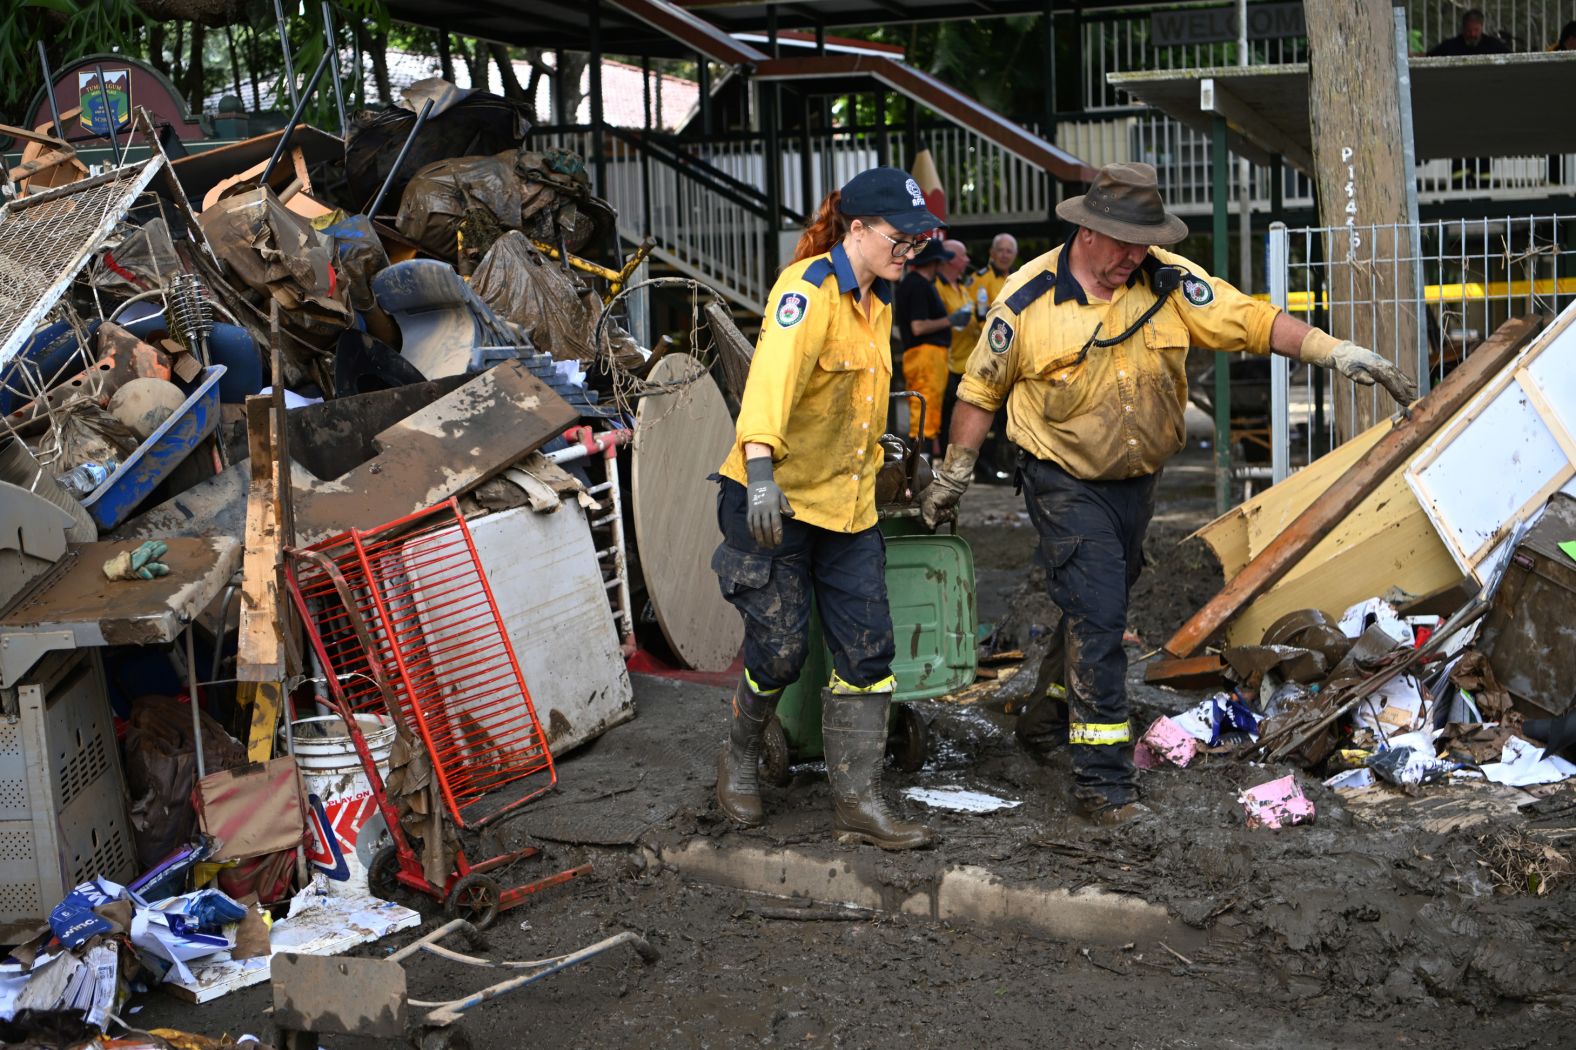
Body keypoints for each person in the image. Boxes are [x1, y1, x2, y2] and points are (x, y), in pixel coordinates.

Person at [920, 163, 1415, 826]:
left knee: (1098, 602)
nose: (1134, 255)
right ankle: (1101, 784)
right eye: (1123, 243)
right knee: (1101, 616)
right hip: (1062, 478)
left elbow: (1250, 321)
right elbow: (979, 392)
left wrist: (1336, 351)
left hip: (1135, 481)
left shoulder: (1167, 279)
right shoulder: (1029, 298)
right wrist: (953, 476)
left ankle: (1047, 714)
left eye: (1143, 242)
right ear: (1088, 231)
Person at [712, 166, 943, 851]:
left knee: (869, 649)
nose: (910, 254)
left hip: (847, 507)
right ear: (859, 230)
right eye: (901, 240)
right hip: (773, 500)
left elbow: (860, 407)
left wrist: (895, 461)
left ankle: (859, 802)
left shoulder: (878, 303)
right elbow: (770, 389)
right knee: (780, 652)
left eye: (917, 242)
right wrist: (759, 474)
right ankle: (739, 754)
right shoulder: (807, 292)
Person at [896, 238, 969, 452]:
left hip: (930, 356)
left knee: (928, 412)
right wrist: (951, 320)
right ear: (935, 262)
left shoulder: (918, 283)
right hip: (925, 355)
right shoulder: (917, 285)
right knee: (923, 414)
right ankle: (919, 467)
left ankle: (922, 465)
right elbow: (918, 327)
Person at [933, 238, 978, 445]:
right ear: (950, 260)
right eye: (963, 255)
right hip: (948, 363)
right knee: (947, 417)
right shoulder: (937, 286)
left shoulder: (963, 285)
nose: (968, 259)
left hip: (969, 363)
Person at [1427, 9, 1509, 55]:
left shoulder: (1493, 45)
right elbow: (1429, 56)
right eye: (1469, 31)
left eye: (1476, 30)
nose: (1473, 34)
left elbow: (1511, 57)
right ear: (1463, 28)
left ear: (1481, 28)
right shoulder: (1450, 45)